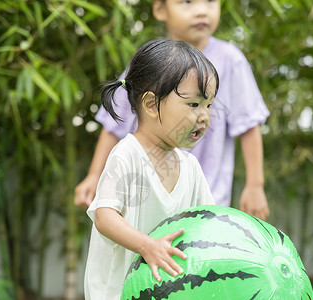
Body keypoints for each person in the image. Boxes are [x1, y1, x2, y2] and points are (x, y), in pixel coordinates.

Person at [75, 0, 270, 220]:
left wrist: (255, 185)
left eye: (210, 1)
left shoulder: (230, 60)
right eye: (186, 2)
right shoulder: (151, 63)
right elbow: (115, 123)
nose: (201, 10)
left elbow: (248, 125)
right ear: (159, 9)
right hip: (148, 205)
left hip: (208, 204)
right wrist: (94, 175)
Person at [84, 39, 218, 299]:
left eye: (209, 105)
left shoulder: (190, 167)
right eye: (194, 104)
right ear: (150, 104)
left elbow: (209, 223)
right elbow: (105, 217)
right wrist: (147, 246)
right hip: (117, 293)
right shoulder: (127, 155)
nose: (204, 116)